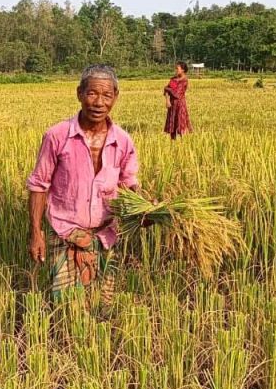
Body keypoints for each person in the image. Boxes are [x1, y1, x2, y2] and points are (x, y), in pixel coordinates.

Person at [27, 64, 142, 307]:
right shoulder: (57, 135)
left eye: (106, 95)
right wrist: (36, 233)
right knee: (69, 308)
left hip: (105, 236)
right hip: (65, 234)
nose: (99, 102)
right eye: (92, 93)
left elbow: (129, 184)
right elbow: (39, 185)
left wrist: (145, 208)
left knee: (103, 305)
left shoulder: (122, 140)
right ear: (79, 93)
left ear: (115, 97)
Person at [164, 61, 192, 140]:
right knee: (172, 126)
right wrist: (167, 100)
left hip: (180, 105)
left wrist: (167, 88)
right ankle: (173, 144)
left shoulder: (184, 80)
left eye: (177, 69)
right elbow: (166, 91)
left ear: (183, 70)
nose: (176, 70)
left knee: (180, 125)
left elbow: (177, 94)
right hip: (172, 104)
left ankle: (183, 144)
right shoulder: (173, 79)